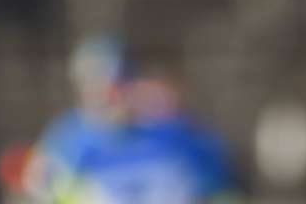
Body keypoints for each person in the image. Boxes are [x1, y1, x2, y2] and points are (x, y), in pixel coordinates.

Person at [21, 36, 237, 203]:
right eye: (95, 84)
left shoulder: (177, 136)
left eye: (118, 83)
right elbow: (39, 191)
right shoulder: (64, 143)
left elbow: (221, 189)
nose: (108, 94)